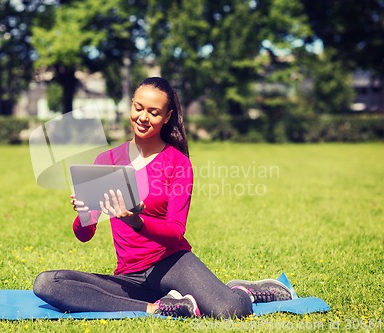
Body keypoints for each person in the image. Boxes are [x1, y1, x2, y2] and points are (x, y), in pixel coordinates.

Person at [33, 77, 293, 318]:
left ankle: (242, 291)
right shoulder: (107, 161)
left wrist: (137, 221)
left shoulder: (177, 164)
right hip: (130, 276)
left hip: (170, 263)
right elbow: (84, 234)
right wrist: (83, 215)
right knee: (48, 283)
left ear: (167, 116)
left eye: (153, 112)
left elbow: (176, 232)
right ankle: (158, 308)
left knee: (228, 310)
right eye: (138, 107)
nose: (143, 117)